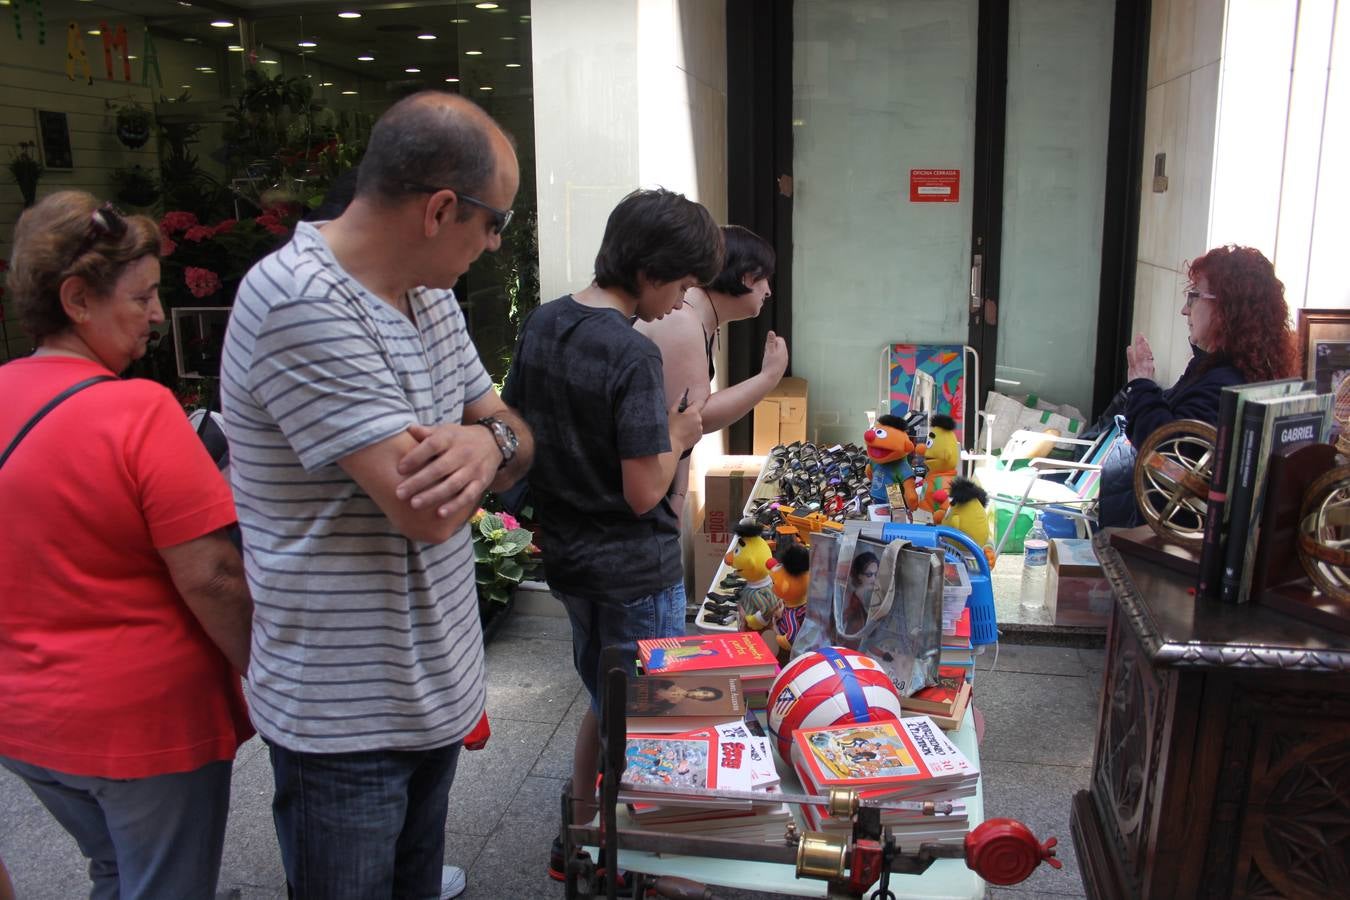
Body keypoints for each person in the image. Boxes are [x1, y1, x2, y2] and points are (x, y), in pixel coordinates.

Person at [219, 92, 534, 900]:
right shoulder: (300, 300)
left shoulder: (427, 293)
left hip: (429, 689)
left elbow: (513, 434)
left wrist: (485, 440)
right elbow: (426, 512)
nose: (495, 244)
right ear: (440, 209)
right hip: (345, 719)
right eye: (493, 221)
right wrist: (485, 447)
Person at [0, 192, 254, 899]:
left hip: (23, 723)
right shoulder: (137, 410)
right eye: (141, 297)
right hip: (143, 727)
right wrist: (264, 674)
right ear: (77, 299)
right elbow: (213, 576)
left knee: (114, 867)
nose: (155, 316)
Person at [500, 187, 722, 880]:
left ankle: (583, 833)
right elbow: (643, 491)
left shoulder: (545, 321)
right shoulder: (631, 354)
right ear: (651, 270)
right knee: (646, 722)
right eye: (682, 284)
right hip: (632, 569)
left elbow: (516, 430)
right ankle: (637, 865)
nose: (682, 302)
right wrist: (684, 431)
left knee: (605, 693)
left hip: (570, 560)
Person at [1094, 244, 1299, 527]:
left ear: (1226, 308)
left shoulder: (1225, 382)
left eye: (1193, 297)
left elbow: (1166, 455)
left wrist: (1141, 383)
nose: (1184, 310)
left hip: (1171, 535)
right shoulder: (1225, 366)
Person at [635, 225, 788, 516]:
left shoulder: (702, 320)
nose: (768, 290)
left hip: (656, 480)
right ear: (745, 275)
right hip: (638, 485)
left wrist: (678, 494)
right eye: (764, 278)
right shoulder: (682, 318)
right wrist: (768, 378)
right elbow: (694, 416)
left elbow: (685, 425)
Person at [840, 551, 881, 635]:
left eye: (876, 574)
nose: (874, 579)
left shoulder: (871, 592)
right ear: (859, 576)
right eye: (869, 574)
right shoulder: (860, 595)